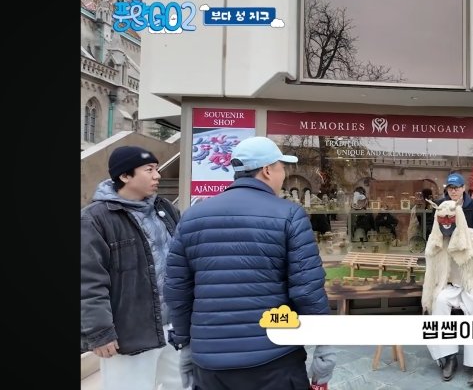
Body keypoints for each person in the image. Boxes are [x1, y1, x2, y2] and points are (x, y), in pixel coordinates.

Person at [164, 136, 334, 389]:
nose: (283, 175)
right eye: (281, 167)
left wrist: (185, 344)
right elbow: (307, 289)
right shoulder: (289, 215)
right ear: (267, 170)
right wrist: (324, 346)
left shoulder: (191, 217)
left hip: (210, 361)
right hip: (275, 359)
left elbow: (177, 290)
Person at [81, 146, 184, 390]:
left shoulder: (165, 209)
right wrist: (100, 332)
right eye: (149, 170)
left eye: (157, 169)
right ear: (125, 176)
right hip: (129, 334)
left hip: (174, 327)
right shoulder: (95, 218)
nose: (157, 175)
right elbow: (88, 281)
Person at [422, 199, 473, 386]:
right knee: (439, 302)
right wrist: (427, 299)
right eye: (443, 218)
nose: (446, 222)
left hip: (472, 285)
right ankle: (448, 357)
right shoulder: (435, 241)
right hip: (448, 286)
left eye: (450, 217)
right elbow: (430, 273)